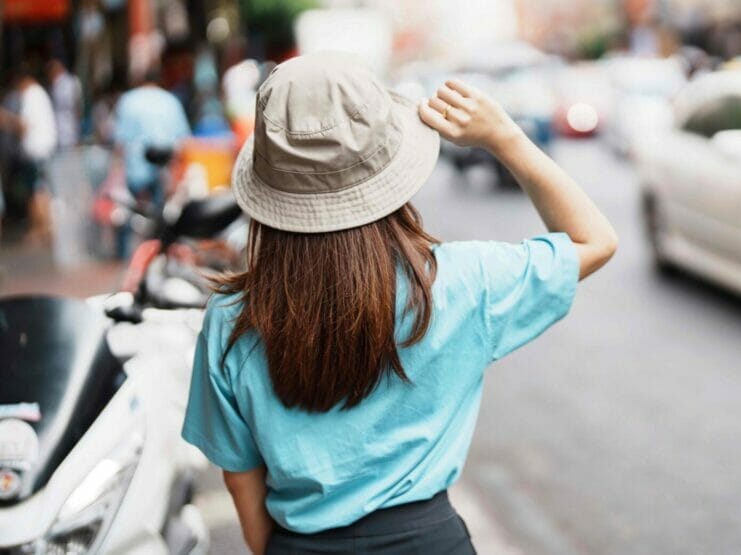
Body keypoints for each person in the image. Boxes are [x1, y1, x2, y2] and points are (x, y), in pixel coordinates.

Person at [181, 52, 617, 554]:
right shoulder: (460, 283)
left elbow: (240, 477)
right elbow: (595, 241)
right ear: (389, 166)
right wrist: (506, 137)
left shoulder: (232, 316)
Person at [112, 69, 191, 257]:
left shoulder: (128, 100)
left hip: (135, 166)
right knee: (158, 214)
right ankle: (156, 251)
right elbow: (183, 140)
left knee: (130, 211)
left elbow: (120, 141)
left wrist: (116, 169)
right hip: (161, 169)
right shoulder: (170, 101)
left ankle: (124, 256)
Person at [0, 66, 58, 244]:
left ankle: (41, 230)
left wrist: (5, 119)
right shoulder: (39, 94)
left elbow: (24, 126)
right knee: (40, 189)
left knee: (37, 191)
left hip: (37, 151)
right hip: (43, 149)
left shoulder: (31, 95)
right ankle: (43, 229)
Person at [46, 59, 82, 151]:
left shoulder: (61, 84)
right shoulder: (73, 81)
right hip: (67, 131)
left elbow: (77, 109)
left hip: (65, 132)